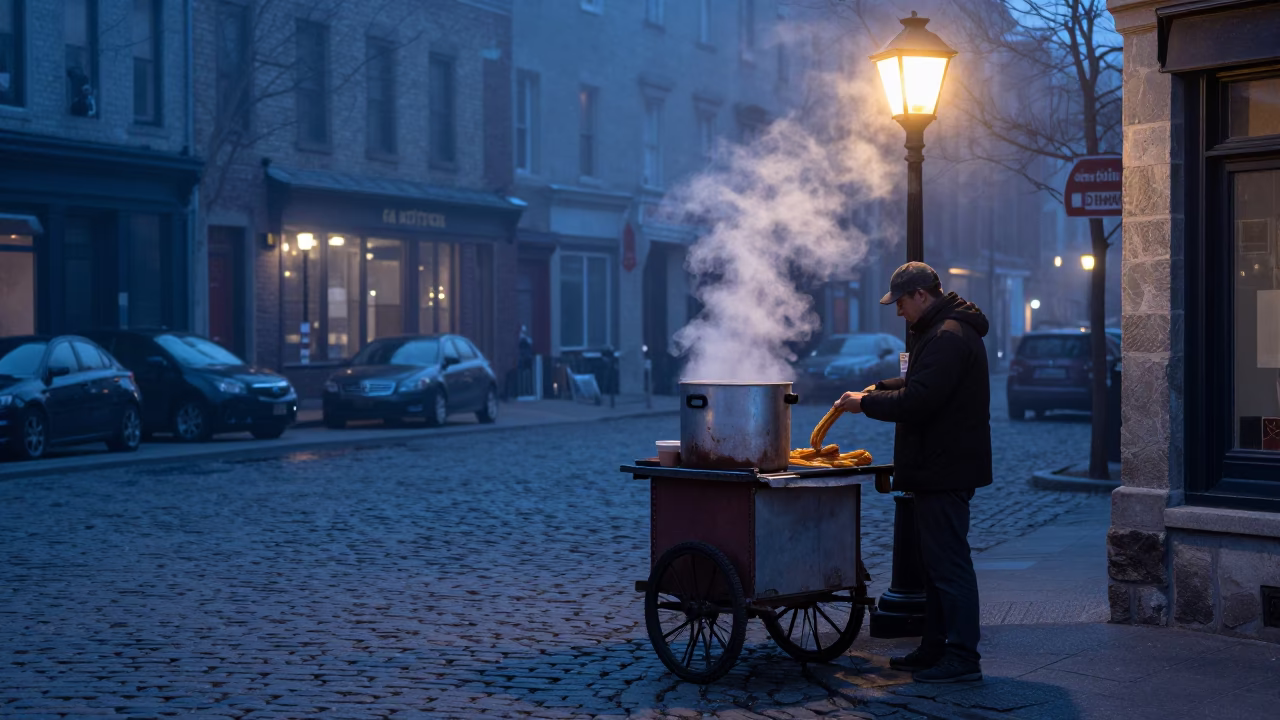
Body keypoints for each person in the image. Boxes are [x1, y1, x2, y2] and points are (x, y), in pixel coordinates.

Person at [831, 261, 992, 684]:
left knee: (950, 565)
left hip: (944, 467)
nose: (898, 311)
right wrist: (878, 388)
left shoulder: (948, 336)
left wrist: (865, 406)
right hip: (939, 466)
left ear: (922, 294)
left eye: (900, 302)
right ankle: (935, 647)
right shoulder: (941, 331)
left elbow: (920, 399)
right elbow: (916, 381)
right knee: (936, 567)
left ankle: (962, 657)